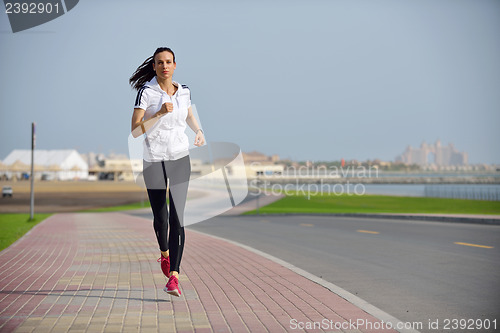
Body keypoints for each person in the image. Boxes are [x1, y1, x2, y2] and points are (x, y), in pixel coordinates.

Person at [129, 47, 205, 297]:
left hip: (180, 157)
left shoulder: (184, 91)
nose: (164, 66)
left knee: (178, 218)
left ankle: (174, 276)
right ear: (154, 66)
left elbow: (189, 114)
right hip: (153, 160)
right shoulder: (146, 92)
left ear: (175, 65)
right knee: (161, 218)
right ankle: (164, 253)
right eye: (160, 62)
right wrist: (160, 113)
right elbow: (136, 131)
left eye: (168, 62)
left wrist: (198, 131)